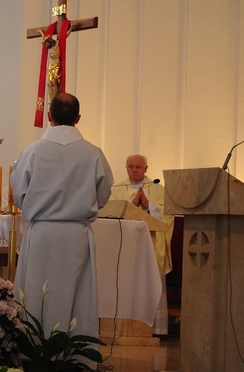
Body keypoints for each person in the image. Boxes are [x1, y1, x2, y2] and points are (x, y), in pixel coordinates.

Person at [11, 93, 113, 345]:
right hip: (76, 235)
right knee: (77, 297)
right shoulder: (93, 153)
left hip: (42, 235)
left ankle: (34, 355)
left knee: (35, 296)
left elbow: (19, 194)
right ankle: (75, 358)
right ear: (78, 119)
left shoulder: (32, 151)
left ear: (49, 116)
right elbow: (103, 194)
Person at [109, 154, 174, 335]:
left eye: (138, 166)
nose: (134, 170)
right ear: (126, 168)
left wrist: (148, 205)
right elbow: (111, 212)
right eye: (131, 166)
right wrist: (131, 205)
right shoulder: (117, 189)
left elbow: (168, 214)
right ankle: (123, 325)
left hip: (150, 246)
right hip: (126, 247)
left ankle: (153, 328)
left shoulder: (157, 188)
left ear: (146, 168)